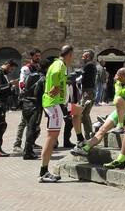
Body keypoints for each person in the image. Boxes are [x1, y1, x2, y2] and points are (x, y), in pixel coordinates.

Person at [39, 45, 84, 183]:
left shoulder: (55, 63)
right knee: (51, 137)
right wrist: (57, 86)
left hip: (60, 104)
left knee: (78, 110)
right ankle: (43, 172)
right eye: (73, 55)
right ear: (69, 54)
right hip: (54, 105)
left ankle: (80, 140)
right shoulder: (60, 65)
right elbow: (55, 75)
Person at [73, 68, 125, 157]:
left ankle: (120, 126)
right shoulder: (120, 83)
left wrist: (118, 84)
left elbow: (118, 94)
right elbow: (117, 96)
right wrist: (119, 86)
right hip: (120, 111)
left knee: (118, 99)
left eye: (119, 77)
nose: (117, 78)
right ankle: (85, 148)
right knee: (102, 129)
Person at [13, 48, 41, 153]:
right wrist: (24, 95)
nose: (38, 58)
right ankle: (17, 144)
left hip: (37, 98)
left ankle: (31, 142)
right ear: (32, 57)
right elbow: (22, 83)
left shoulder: (38, 68)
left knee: (36, 123)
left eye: (39, 56)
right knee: (24, 122)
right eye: (36, 56)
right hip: (28, 99)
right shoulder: (26, 68)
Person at [19, 58, 48, 160]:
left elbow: (24, 88)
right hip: (35, 105)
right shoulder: (44, 78)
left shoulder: (30, 76)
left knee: (29, 128)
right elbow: (44, 93)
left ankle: (28, 149)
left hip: (26, 104)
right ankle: (28, 151)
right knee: (32, 128)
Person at [77, 50, 97, 138]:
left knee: (84, 114)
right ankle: (88, 134)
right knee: (84, 114)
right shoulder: (90, 65)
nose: (82, 58)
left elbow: (82, 76)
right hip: (87, 91)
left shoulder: (89, 65)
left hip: (88, 92)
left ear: (88, 57)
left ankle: (89, 135)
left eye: (84, 56)